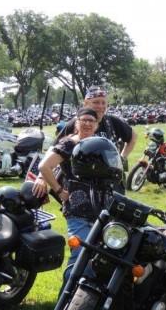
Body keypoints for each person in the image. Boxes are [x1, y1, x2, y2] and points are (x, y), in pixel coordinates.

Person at [31, 108, 109, 283]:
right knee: (80, 257)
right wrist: (60, 191)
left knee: (101, 257)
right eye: (84, 120)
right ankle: (67, 297)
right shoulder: (69, 144)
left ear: (97, 125)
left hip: (103, 209)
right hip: (78, 209)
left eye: (91, 121)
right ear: (76, 123)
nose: (87, 123)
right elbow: (44, 166)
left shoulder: (99, 143)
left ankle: (90, 295)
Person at [55, 86, 137, 169]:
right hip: (80, 174)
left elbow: (133, 136)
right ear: (86, 104)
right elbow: (56, 148)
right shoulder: (77, 122)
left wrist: (122, 158)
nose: (100, 106)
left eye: (103, 103)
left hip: (110, 173)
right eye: (96, 102)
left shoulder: (112, 121)